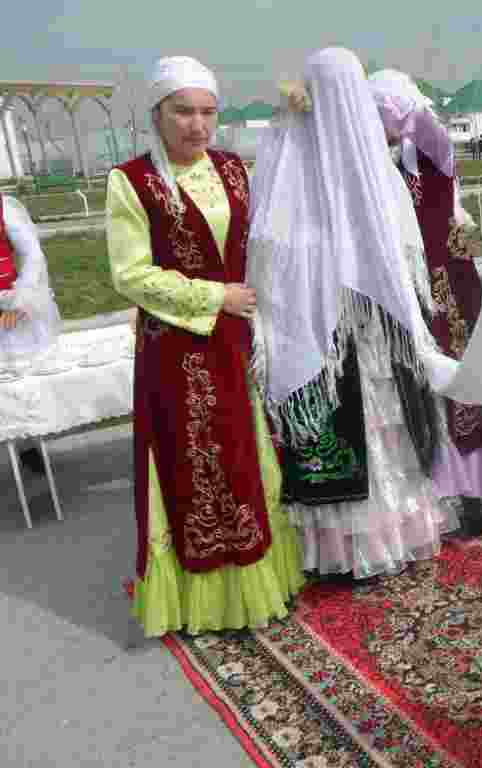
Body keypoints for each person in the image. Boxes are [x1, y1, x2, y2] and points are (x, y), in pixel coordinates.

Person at [247, 48, 482, 579]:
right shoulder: (290, 165)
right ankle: (344, 553)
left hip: (379, 333)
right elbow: (274, 258)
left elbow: (401, 254)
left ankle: (397, 534)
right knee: (349, 438)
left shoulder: (376, 170)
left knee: (389, 435)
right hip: (328, 336)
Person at [106, 56, 305, 637]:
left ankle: (260, 575)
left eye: (207, 112)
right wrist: (214, 297)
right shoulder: (131, 181)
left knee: (247, 453)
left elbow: (260, 240)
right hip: (176, 349)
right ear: (158, 114)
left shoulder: (233, 169)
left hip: (236, 341)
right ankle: (209, 595)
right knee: (195, 463)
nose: (197, 124)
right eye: (183, 111)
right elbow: (130, 273)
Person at [368, 70, 482, 537]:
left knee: (460, 379)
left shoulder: (433, 153)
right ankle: (429, 500)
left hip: (449, 283)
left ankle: (469, 493)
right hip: (400, 285)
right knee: (416, 388)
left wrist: (397, 106)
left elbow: (428, 128)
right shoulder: (371, 166)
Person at [1, 193, 61, 474]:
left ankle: (27, 444)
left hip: (7, 308)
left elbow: (32, 254)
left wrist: (21, 297)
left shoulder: (4, 208)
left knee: (16, 380)